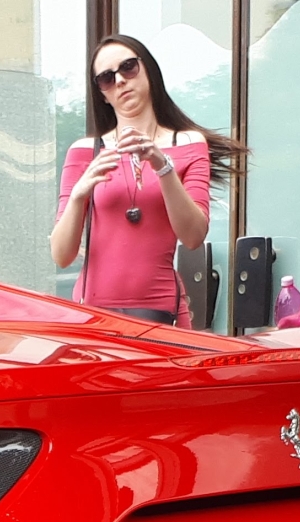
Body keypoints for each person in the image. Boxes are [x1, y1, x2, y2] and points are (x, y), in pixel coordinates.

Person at [50, 35, 239, 326]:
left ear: (147, 69)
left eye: (128, 67)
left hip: (161, 313)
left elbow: (193, 236)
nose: (120, 81)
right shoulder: (85, 151)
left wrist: (161, 165)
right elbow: (61, 255)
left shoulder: (188, 144)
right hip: (93, 315)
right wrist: (78, 196)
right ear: (102, 93)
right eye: (106, 78)